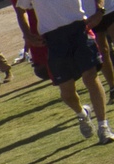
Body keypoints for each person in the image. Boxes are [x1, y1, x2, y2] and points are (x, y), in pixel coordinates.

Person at [16, 0, 113, 140]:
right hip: (54, 39)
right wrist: (27, 34)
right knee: (67, 93)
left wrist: (100, 11)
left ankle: (103, 126)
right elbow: (20, 10)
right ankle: (82, 113)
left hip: (79, 29)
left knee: (90, 76)